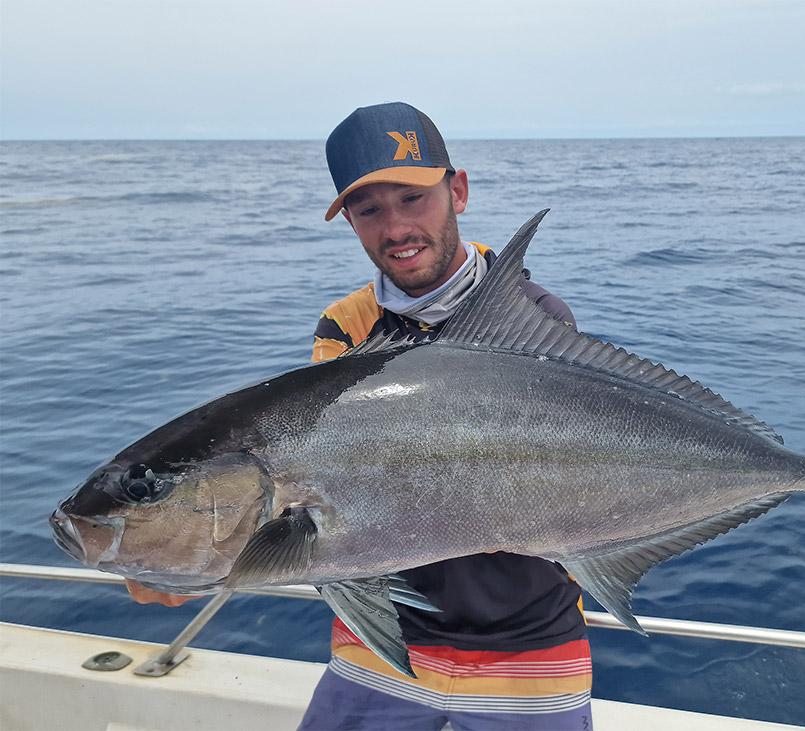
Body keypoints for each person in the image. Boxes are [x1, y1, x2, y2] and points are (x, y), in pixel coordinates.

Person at [128, 102, 592, 731]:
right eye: (369, 209)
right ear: (348, 218)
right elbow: (333, 482)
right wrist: (189, 553)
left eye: (413, 197)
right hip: (383, 624)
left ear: (457, 190)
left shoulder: (534, 316)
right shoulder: (345, 326)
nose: (396, 227)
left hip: (530, 639)